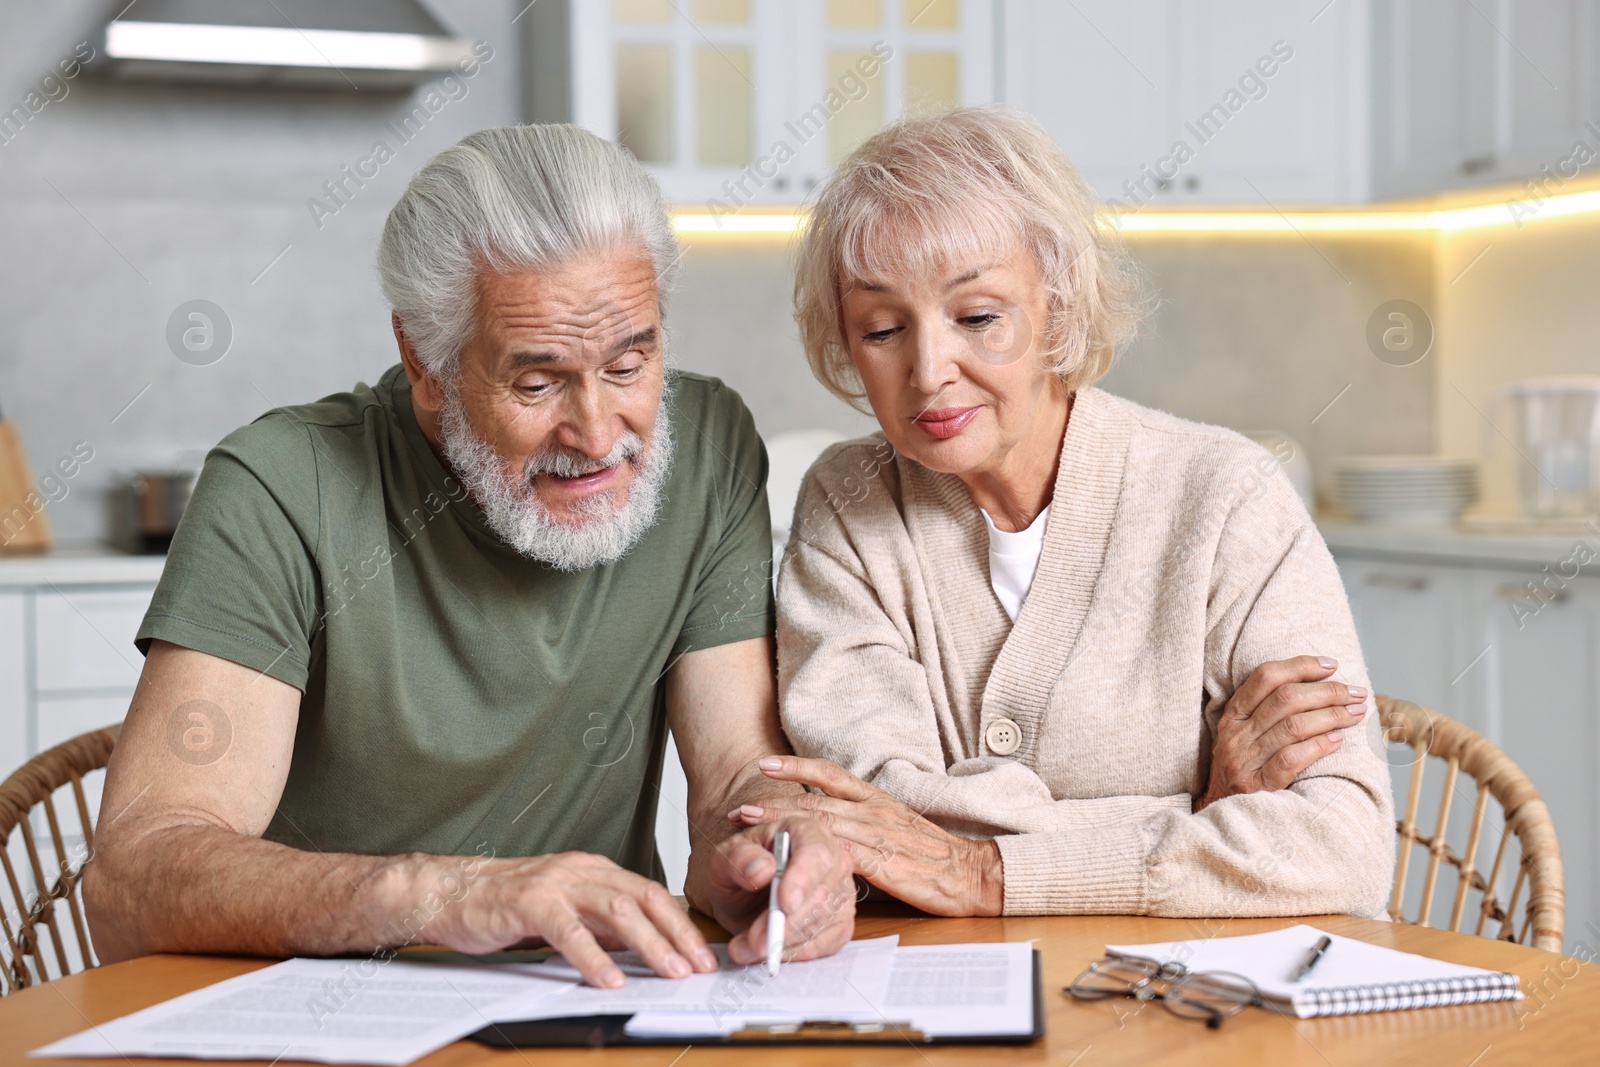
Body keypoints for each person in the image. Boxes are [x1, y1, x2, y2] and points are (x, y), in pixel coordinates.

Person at [84, 124, 854, 985]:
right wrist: (449, 896)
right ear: (424, 360)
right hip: (322, 1014)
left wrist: (771, 855)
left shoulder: (708, 448)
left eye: (631, 364)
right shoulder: (277, 488)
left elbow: (732, 782)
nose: (599, 434)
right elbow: (131, 882)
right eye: (537, 382)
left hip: (596, 1007)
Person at [730, 107, 1395, 918]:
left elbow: (1345, 848)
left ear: (1058, 304)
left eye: (978, 317)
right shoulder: (849, 502)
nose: (930, 369)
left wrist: (983, 872)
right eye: (882, 328)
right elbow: (877, 832)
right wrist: (1203, 808)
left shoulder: (1227, 497)